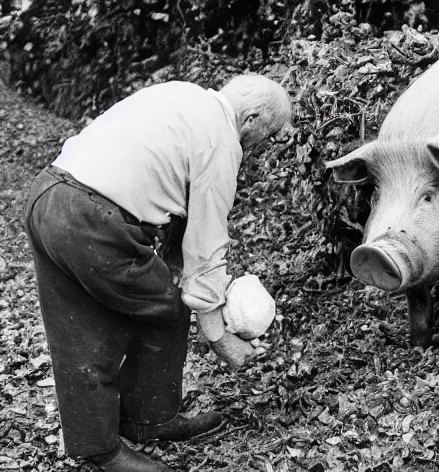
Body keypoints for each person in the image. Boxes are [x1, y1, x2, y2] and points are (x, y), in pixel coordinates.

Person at [23, 74, 292, 472]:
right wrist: (219, 335)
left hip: (49, 197)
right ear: (250, 119)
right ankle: (145, 424)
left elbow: (169, 189)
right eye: (266, 136)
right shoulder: (221, 141)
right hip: (93, 220)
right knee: (167, 308)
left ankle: (101, 444)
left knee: (74, 325)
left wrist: (174, 266)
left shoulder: (184, 96)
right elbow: (207, 245)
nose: (260, 147)